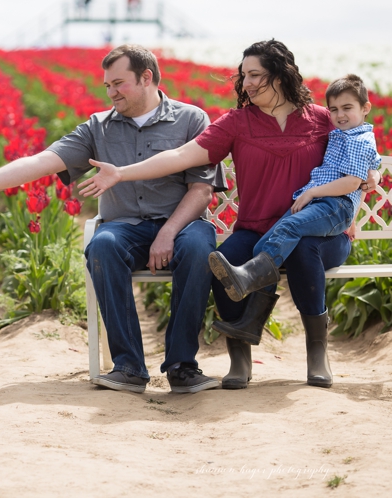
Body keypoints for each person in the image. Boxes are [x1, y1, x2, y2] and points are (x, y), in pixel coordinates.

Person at [0, 45, 225, 394]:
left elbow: (201, 191)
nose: (111, 92)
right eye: (107, 85)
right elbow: (42, 161)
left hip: (183, 223)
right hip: (126, 227)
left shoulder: (191, 119)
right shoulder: (98, 128)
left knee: (198, 245)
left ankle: (181, 366)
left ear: (147, 78)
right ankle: (128, 367)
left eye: (119, 83)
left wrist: (169, 232)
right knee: (103, 245)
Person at [79, 40, 369, 389]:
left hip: (319, 233)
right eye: (244, 75)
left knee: (304, 250)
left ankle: (317, 354)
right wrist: (123, 172)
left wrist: (357, 199)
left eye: (256, 75)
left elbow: (360, 154)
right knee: (220, 262)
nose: (246, 83)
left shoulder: (323, 120)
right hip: (256, 230)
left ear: (281, 74)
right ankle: (240, 356)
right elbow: (181, 156)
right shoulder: (236, 123)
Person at [209, 75, 380, 304]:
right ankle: (248, 296)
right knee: (263, 246)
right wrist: (375, 174)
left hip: (333, 204)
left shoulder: (359, 140)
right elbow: (372, 164)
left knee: (289, 228)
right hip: (320, 204)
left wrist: (312, 193)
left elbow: (351, 182)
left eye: (347, 108)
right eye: (334, 109)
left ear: (365, 108)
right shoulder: (340, 133)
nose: (340, 115)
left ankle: (248, 278)